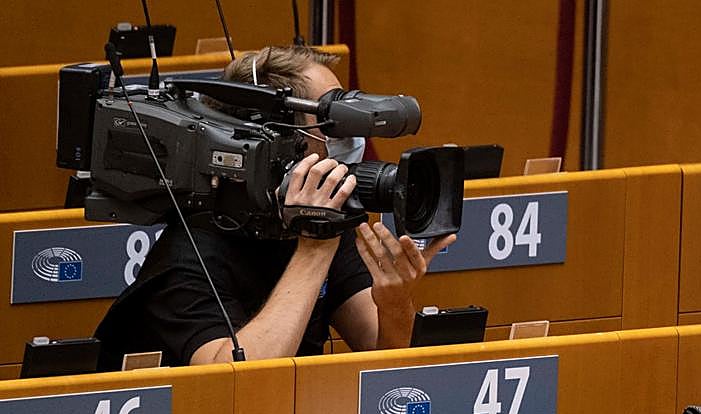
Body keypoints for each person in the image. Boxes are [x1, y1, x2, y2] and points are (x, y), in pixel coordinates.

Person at [95, 46, 453, 368]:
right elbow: (239, 382)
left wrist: (395, 302)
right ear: (274, 142)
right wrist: (312, 250)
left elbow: (382, 357)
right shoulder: (187, 258)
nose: (349, 146)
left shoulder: (320, 226)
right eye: (333, 128)